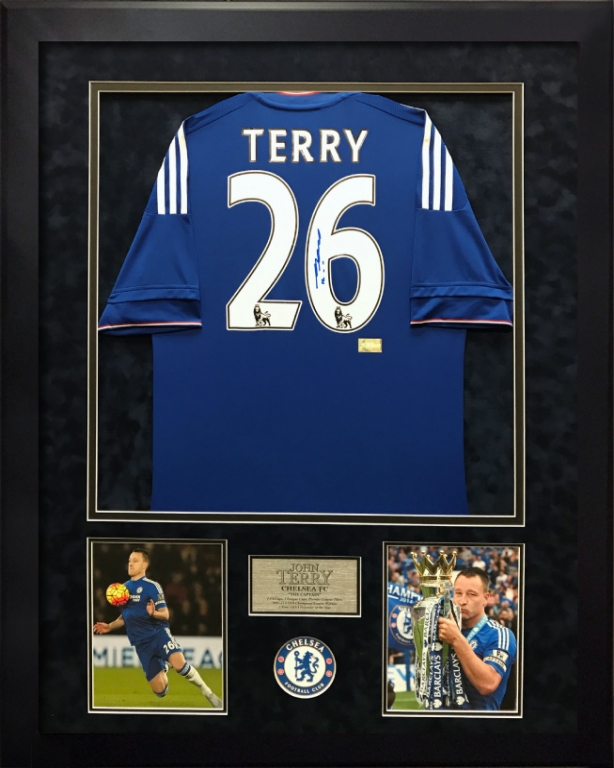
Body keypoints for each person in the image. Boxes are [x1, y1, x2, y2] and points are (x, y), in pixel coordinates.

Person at [93, 547, 222, 707]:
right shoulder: (122, 589)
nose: (130, 564)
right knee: (160, 691)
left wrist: (153, 613)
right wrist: (110, 626)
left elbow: (165, 614)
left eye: (135, 561)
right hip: (141, 644)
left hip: (158, 634)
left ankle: (208, 693)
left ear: (144, 565)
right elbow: (126, 616)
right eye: (129, 561)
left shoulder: (152, 587)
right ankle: (165, 665)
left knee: (180, 666)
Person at [438, 566, 516, 710]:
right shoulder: (442, 629)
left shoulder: (499, 634)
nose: (462, 601)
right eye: (458, 593)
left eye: (471, 594)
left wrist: (456, 639)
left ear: (485, 598)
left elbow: (488, 684)